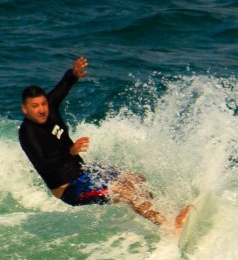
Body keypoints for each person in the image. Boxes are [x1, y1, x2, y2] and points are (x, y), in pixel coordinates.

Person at [19, 57, 191, 232]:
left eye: (43, 104)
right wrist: (69, 152)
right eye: (35, 106)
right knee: (125, 191)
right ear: (25, 109)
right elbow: (44, 163)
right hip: (69, 188)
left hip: (84, 172)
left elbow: (63, 85)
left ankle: (164, 214)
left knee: (136, 179)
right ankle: (169, 226)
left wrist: (73, 74)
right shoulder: (28, 133)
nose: (41, 110)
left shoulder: (50, 108)